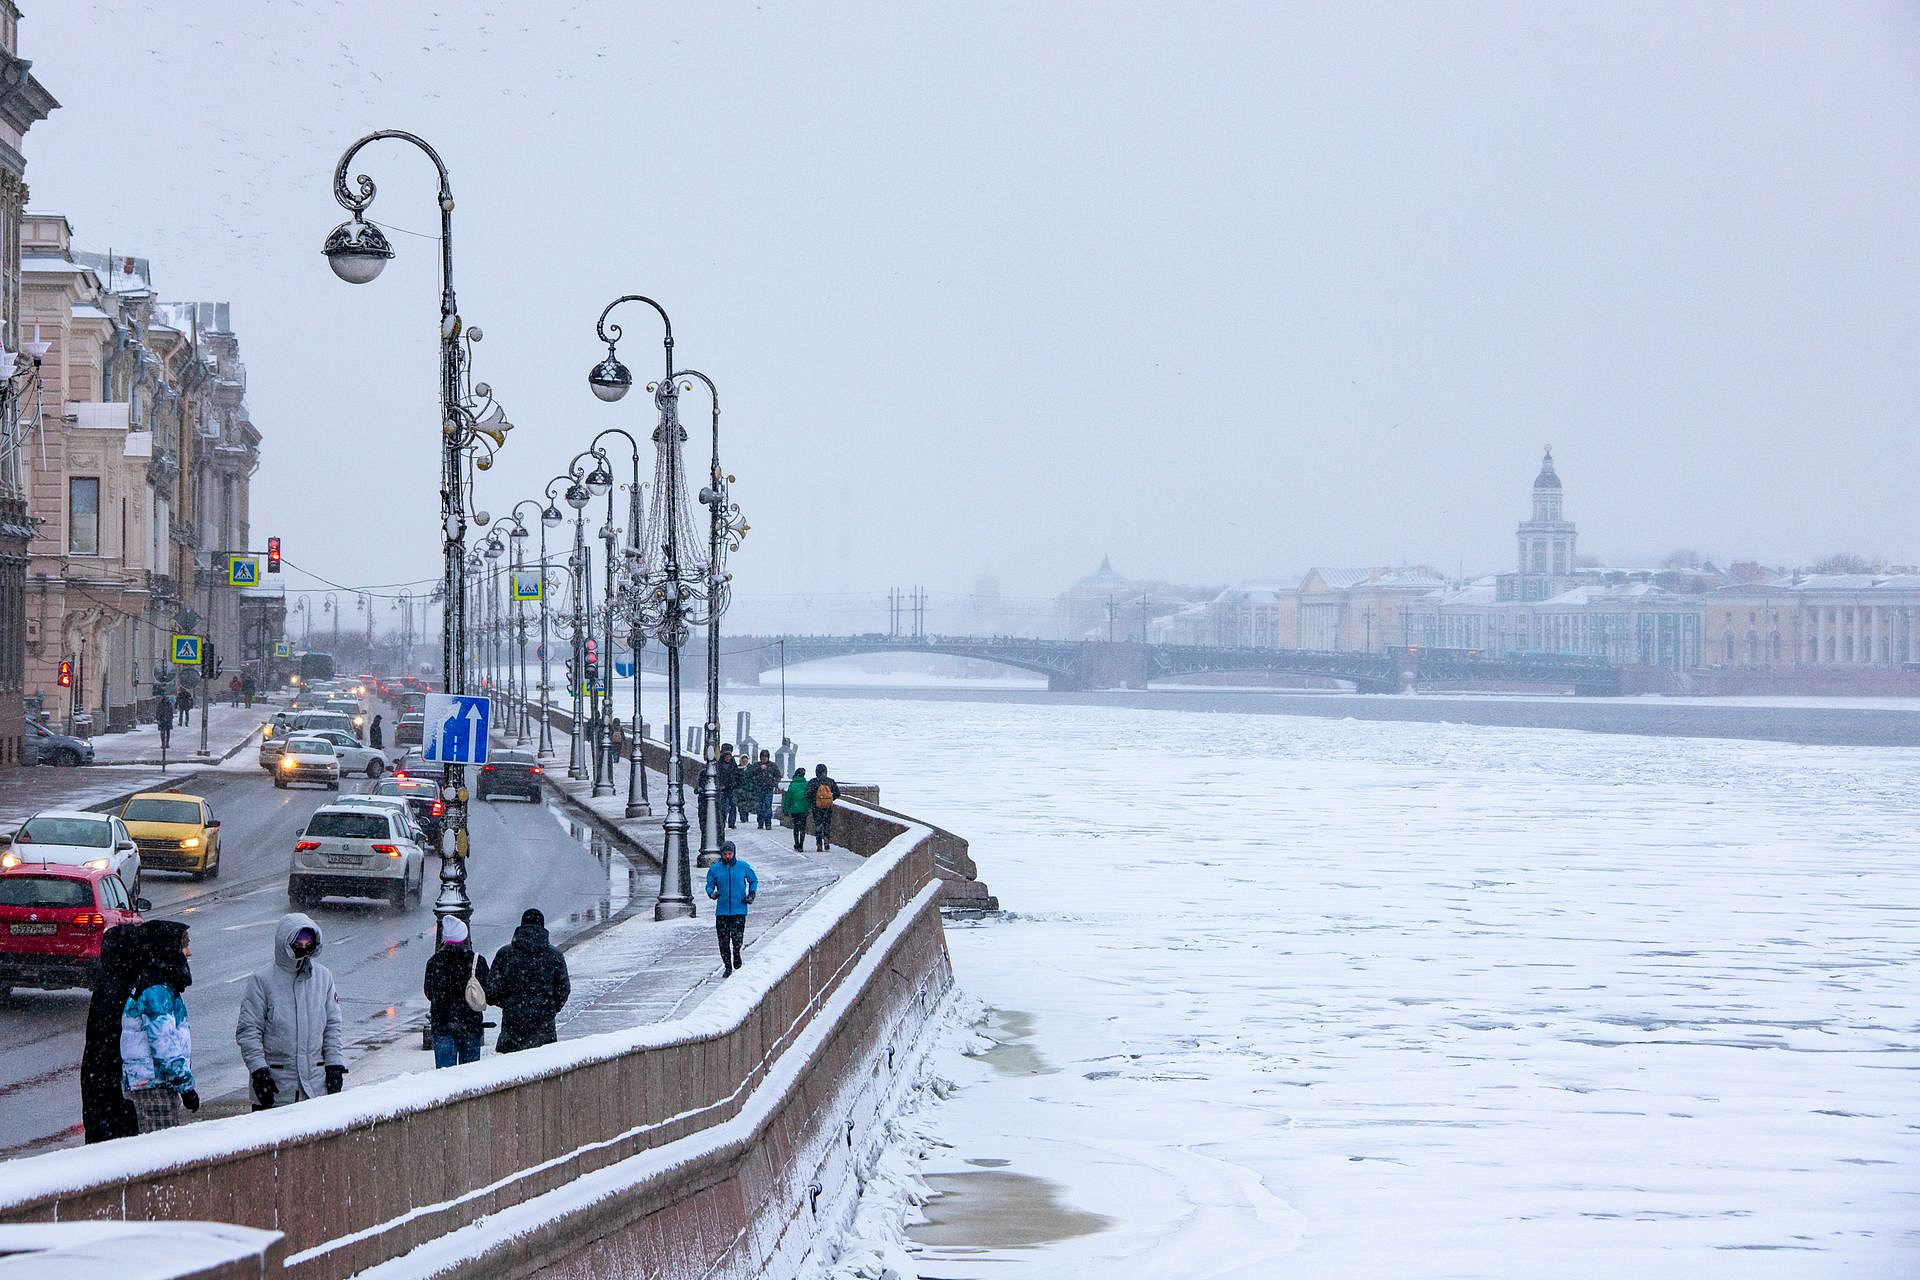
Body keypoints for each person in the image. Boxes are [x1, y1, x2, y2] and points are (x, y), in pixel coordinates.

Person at [236, 914, 346, 1108]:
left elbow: (332, 1027)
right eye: (298, 941)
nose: (303, 946)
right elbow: (249, 1031)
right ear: (285, 942)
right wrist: (259, 1071)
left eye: (308, 941)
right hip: (276, 1089)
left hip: (316, 1089)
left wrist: (334, 1065)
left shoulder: (323, 978)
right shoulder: (262, 980)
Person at [120, 920, 197, 1133]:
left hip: (153, 1082)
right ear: (168, 949)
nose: (188, 953)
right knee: (162, 1150)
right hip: (154, 1084)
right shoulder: (156, 991)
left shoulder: (159, 984)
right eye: (184, 946)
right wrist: (185, 1085)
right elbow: (164, 1046)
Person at [80, 923, 144, 1143]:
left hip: (99, 1077)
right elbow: (115, 1035)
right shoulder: (121, 987)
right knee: (115, 1141)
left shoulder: (109, 982)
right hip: (112, 1078)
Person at [484, 908, 570, 1053]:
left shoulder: (506, 954)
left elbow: (492, 991)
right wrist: (549, 1007)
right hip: (544, 1026)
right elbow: (563, 989)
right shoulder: (554, 956)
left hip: (513, 1025)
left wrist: (509, 1003)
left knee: (513, 1069)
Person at [423, 917, 488, 1068]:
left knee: (445, 1076)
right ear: (465, 936)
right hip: (470, 1024)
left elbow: (429, 992)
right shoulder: (476, 961)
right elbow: (486, 991)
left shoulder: (434, 961)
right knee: (470, 1075)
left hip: (442, 1024)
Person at [704, 840, 757, 977]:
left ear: (734, 853)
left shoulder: (742, 867)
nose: (727, 856)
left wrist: (751, 894)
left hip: (739, 909)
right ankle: (727, 966)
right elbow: (709, 885)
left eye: (730, 854)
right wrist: (711, 893)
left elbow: (753, 880)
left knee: (737, 937)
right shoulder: (715, 869)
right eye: (725, 854)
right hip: (722, 911)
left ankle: (737, 953)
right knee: (723, 941)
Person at [805, 764, 842, 852]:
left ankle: (819, 844)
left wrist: (813, 801)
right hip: (828, 807)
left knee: (818, 824)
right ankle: (826, 840)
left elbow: (807, 794)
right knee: (827, 824)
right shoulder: (830, 781)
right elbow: (837, 793)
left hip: (817, 807)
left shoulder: (813, 781)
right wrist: (830, 800)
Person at [781, 768, 810, 852]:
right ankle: (801, 845)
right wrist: (808, 807)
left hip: (795, 809)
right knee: (803, 827)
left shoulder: (792, 785)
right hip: (804, 809)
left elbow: (788, 799)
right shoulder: (806, 784)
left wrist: (786, 810)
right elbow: (809, 798)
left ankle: (796, 844)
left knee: (796, 827)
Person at [751, 750, 779, 830]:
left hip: (768, 789)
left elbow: (778, 775)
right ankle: (760, 822)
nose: (764, 758)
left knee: (767, 806)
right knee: (759, 806)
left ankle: (768, 823)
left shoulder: (772, 766)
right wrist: (759, 770)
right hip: (758, 789)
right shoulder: (756, 765)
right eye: (762, 757)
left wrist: (774, 783)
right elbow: (751, 774)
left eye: (765, 757)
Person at [716, 744, 740, 829]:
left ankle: (731, 823)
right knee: (723, 807)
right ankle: (722, 822)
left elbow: (737, 775)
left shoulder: (733, 764)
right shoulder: (719, 764)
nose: (728, 758)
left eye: (729, 756)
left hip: (731, 788)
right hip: (723, 788)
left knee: (733, 806)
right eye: (726, 756)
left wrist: (735, 785)